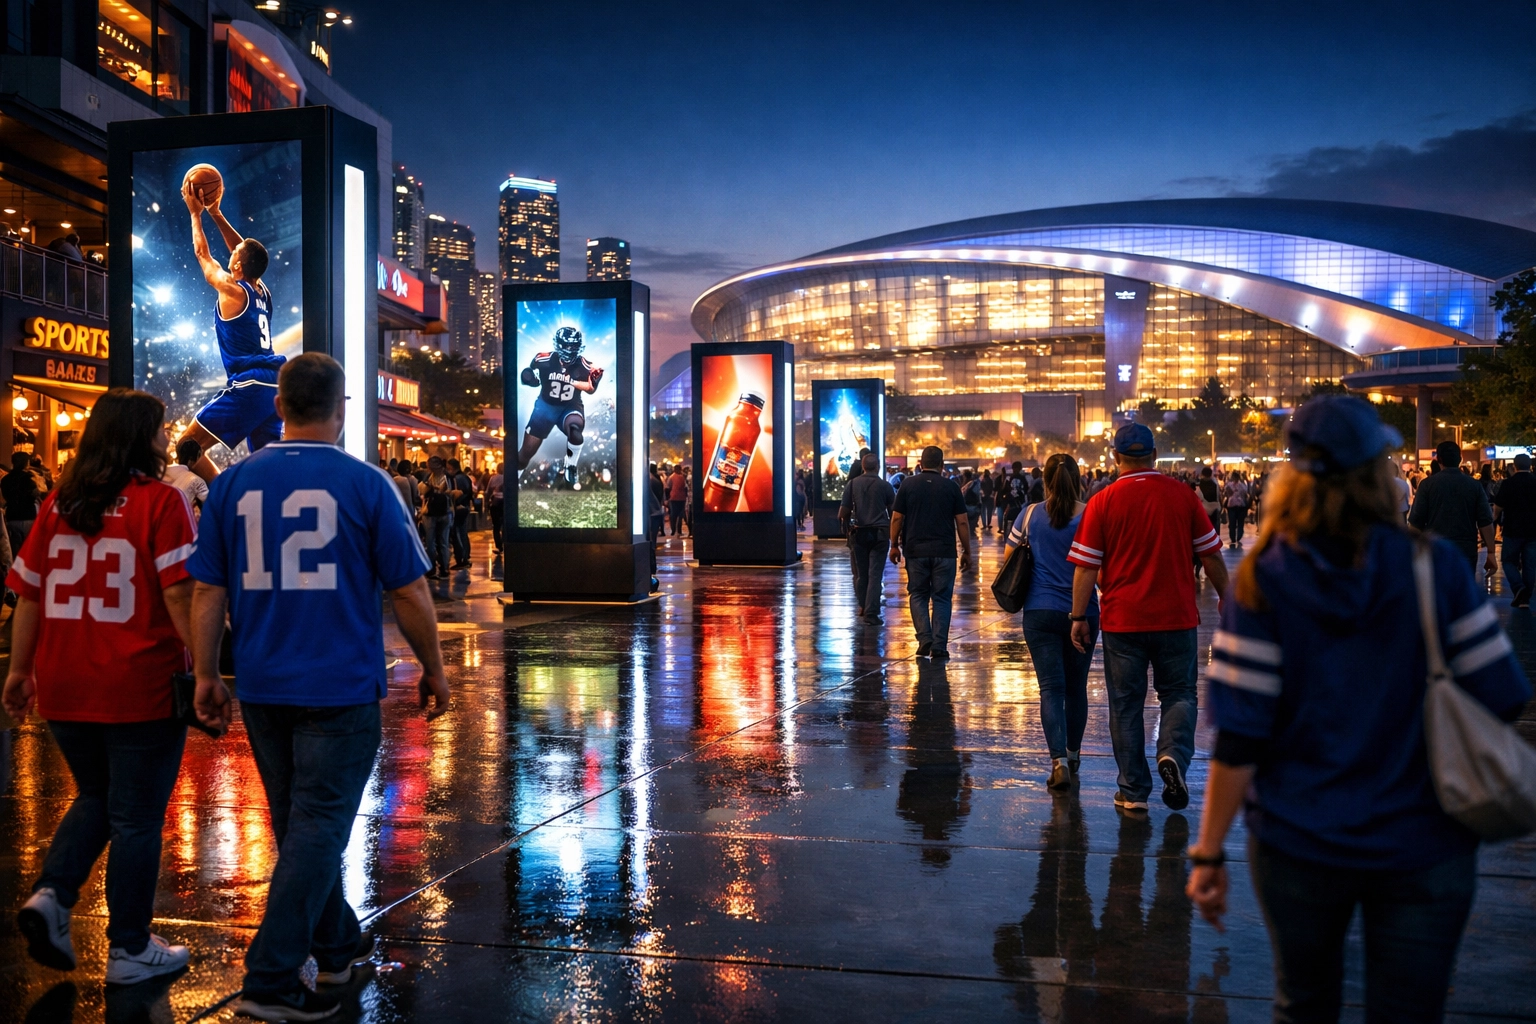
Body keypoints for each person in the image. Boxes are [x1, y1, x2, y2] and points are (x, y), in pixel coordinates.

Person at [1187, 395, 1530, 1024]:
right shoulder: (1437, 570)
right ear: (1381, 472)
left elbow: (1240, 736)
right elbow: (1503, 695)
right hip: (1425, 843)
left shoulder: (1266, 578)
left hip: (1298, 842)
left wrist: (1208, 852)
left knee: (1304, 1004)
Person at [188, 353, 448, 1022]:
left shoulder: (232, 486)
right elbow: (409, 589)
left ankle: (337, 948)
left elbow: (207, 588)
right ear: (341, 411)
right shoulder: (367, 484)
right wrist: (434, 668)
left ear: (278, 407)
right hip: (338, 684)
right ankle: (270, 981)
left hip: (265, 681)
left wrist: (205, 673)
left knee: (304, 829)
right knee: (317, 828)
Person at [4, 389, 198, 985]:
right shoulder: (161, 502)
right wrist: (210, 669)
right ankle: (129, 947)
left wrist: (18, 670)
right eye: (161, 431)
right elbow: (179, 593)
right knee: (137, 817)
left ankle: (54, 895)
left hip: (65, 680)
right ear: (143, 437)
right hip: (138, 681)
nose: (167, 439)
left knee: (97, 795)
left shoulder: (63, 501)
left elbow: (29, 593)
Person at [1066, 423, 1227, 812]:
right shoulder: (1182, 495)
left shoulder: (1103, 501)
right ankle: (1171, 753)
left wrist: (1077, 616)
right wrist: (1229, 599)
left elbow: (1086, 567)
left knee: (1125, 705)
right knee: (1180, 693)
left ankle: (1133, 791)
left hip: (1124, 622)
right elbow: (1211, 555)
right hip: (1176, 618)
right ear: (1155, 455)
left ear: (1116, 457)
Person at [178, 171, 285, 483]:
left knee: (187, 446)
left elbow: (203, 254)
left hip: (250, 383)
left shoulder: (232, 289)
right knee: (268, 467)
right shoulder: (261, 291)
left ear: (237, 266)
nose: (230, 256)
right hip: (274, 384)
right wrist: (217, 212)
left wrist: (196, 214)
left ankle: (224, 495)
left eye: (233, 257)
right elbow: (245, 250)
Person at [1005, 453, 1098, 790]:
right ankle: (1073, 756)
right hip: (1083, 612)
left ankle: (1057, 760)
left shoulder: (1029, 515)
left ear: (1044, 481)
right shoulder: (1090, 516)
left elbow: (1009, 559)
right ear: (1079, 480)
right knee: (1077, 689)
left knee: (1050, 689)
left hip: (1039, 612)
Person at [889, 445, 971, 659]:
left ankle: (925, 638)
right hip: (944, 552)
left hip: (915, 550)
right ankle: (940, 646)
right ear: (942, 465)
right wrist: (967, 550)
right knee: (942, 598)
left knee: (918, 595)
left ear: (921, 464)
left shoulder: (908, 485)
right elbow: (962, 521)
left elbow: (897, 517)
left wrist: (894, 545)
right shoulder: (951, 487)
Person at [515, 326, 604, 485]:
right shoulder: (543, 359)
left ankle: (571, 465)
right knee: (526, 453)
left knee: (575, 433)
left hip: (570, 407)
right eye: (568, 346)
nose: (571, 350)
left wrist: (592, 383)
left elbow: (590, 389)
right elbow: (528, 377)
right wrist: (529, 379)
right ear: (559, 344)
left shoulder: (586, 366)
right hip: (545, 408)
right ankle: (514, 479)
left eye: (574, 346)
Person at [1409, 440, 1496, 577]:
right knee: (1463, 593)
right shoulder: (1474, 485)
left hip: (1436, 549)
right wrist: (1491, 552)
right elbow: (1485, 521)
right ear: (1460, 459)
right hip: (1466, 550)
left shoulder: (1427, 485)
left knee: (1439, 594)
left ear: (1439, 459)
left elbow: (1416, 521)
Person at [841, 452, 896, 624]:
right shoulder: (885, 486)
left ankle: (863, 606)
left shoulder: (852, 485)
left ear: (863, 467)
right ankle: (872, 612)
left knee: (861, 574)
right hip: (880, 533)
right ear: (878, 466)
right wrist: (895, 537)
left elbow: (843, 512)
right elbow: (894, 513)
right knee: (875, 574)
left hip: (859, 533)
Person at [1494, 451, 1536, 608]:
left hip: (1513, 529)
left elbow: (1498, 507)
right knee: (1530, 564)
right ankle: (1525, 598)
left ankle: (1519, 588)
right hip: (1533, 530)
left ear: (1515, 466)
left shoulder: (1508, 483)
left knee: (1508, 561)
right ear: (1530, 466)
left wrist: (1494, 520)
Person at [418, 457, 453, 581]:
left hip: (431, 513)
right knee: (443, 541)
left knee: (430, 542)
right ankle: (444, 569)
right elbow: (453, 494)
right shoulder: (449, 476)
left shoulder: (428, 477)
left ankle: (431, 569)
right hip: (446, 512)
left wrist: (431, 489)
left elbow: (422, 494)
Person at [3, 451, 44, 554]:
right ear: (26, 463)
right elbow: (36, 494)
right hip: (28, 516)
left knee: (15, 551)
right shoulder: (29, 479)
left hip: (12, 517)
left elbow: (5, 496)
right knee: (29, 551)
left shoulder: (5, 480)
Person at [162, 438, 209, 513]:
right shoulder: (197, 481)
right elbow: (211, 505)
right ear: (195, 457)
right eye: (200, 457)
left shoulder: (163, 471)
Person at [446, 458, 473, 569]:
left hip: (460, 507)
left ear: (452, 468)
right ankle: (465, 556)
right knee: (462, 532)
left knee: (458, 533)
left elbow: (460, 494)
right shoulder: (465, 477)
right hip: (465, 507)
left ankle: (462, 558)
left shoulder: (457, 479)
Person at [1222, 472, 1251, 549]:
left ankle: (1236, 536)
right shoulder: (1231, 485)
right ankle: (1235, 536)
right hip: (1235, 505)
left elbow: (1245, 493)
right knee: (1234, 522)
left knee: (1235, 522)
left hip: (1237, 505)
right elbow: (1228, 494)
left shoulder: (1239, 485)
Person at [486, 464, 506, 553]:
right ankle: (506, 543)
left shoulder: (493, 478)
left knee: (496, 526)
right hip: (506, 503)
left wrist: (486, 502)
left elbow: (488, 491)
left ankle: (499, 546)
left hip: (495, 503)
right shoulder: (508, 477)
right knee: (505, 524)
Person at [667, 463, 687, 536]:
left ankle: (674, 530)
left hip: (674, 498)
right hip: (681, 498)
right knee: (680, 515)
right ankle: (678, 530)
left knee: (673, 515)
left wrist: (668, 498)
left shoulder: (671, 477)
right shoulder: (683, 477)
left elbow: (668, 487)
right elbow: (685, 487)